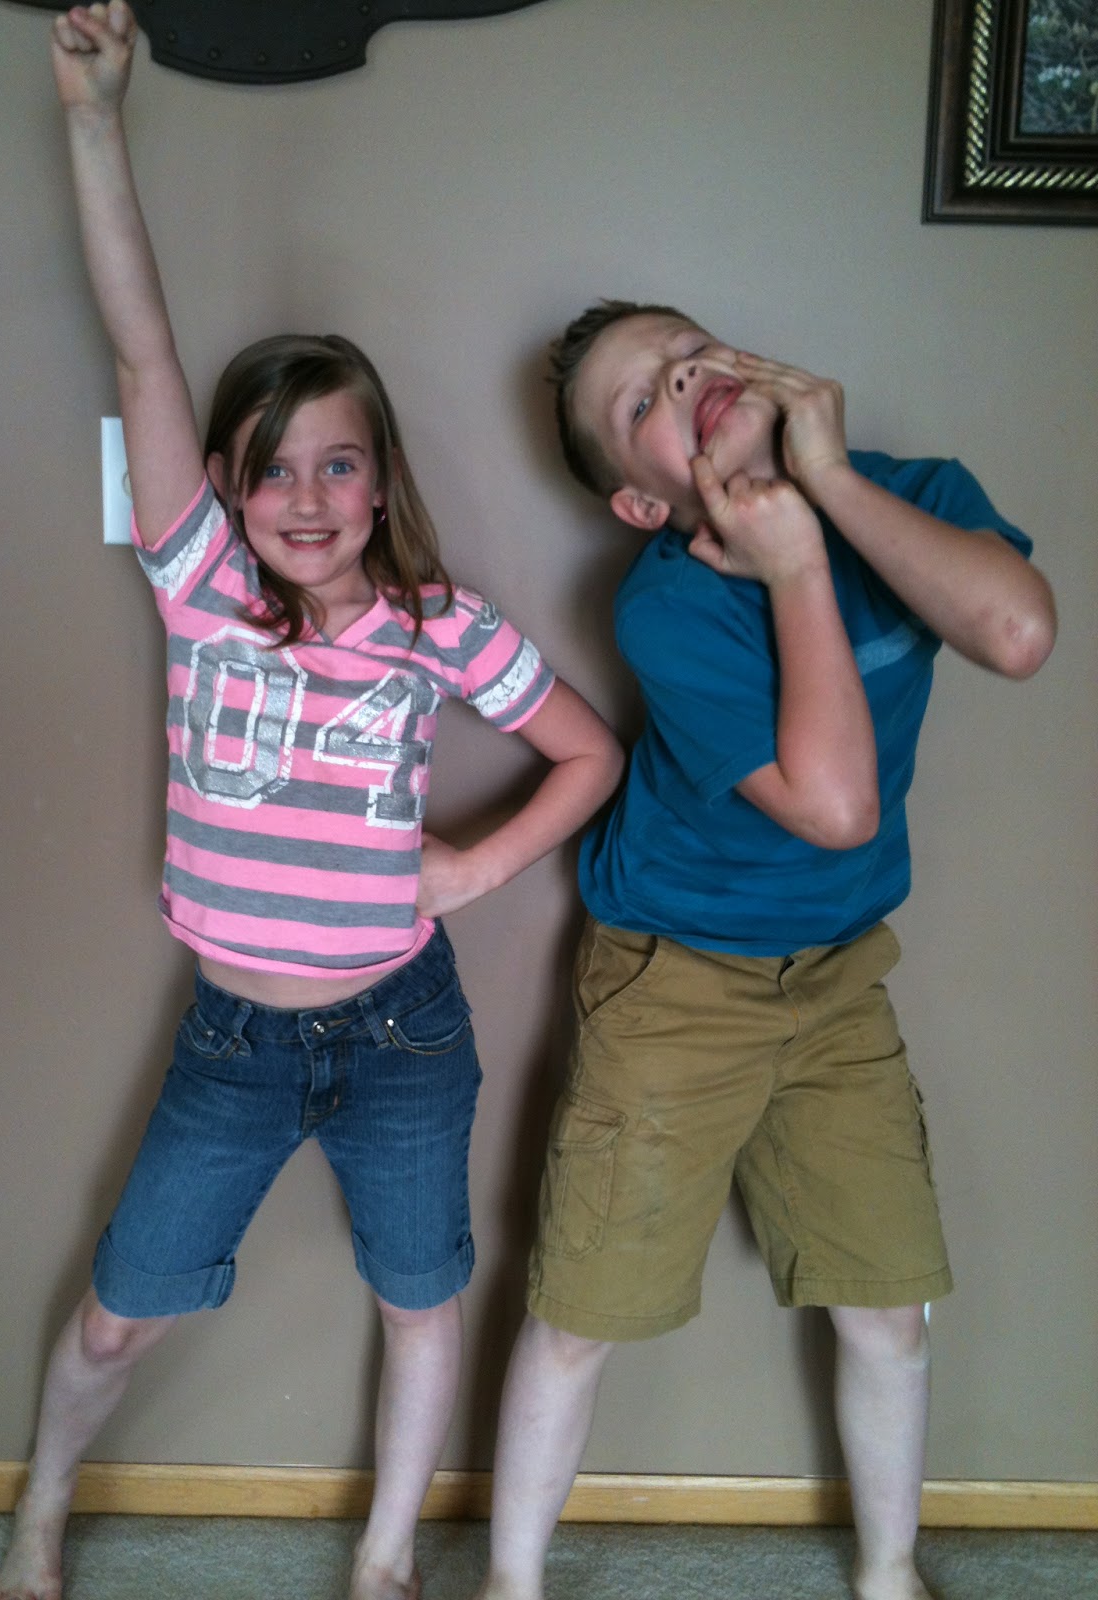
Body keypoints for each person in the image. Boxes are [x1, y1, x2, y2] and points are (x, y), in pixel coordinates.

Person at [0, 10, 624, 1600]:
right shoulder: (201, 588)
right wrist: (94, 118)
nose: (305, 498)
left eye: (338, 465)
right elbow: (143, 350)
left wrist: (473, 869)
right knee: (117, 1315)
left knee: (421, 1301)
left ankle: (386, 1561)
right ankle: (38, 1513)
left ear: (381, 480)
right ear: (221, 486)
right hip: (235, 1042)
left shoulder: (439, 626)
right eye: (270, 469)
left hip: (404, 1032)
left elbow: (591, 755)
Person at [473, 301, 1057, 1600]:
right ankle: (509, 1583)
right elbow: (836, 807)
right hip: (676, 978)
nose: (682, 380)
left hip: (838, 973)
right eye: (642, 402)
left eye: (690, 352)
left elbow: (1018, 633)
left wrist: (832, 486)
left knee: (887, 1302)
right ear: (642, 502)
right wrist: (794, 566)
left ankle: (890, 1574)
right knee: (584, 1308)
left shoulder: (908, 495)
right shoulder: (669, 604)